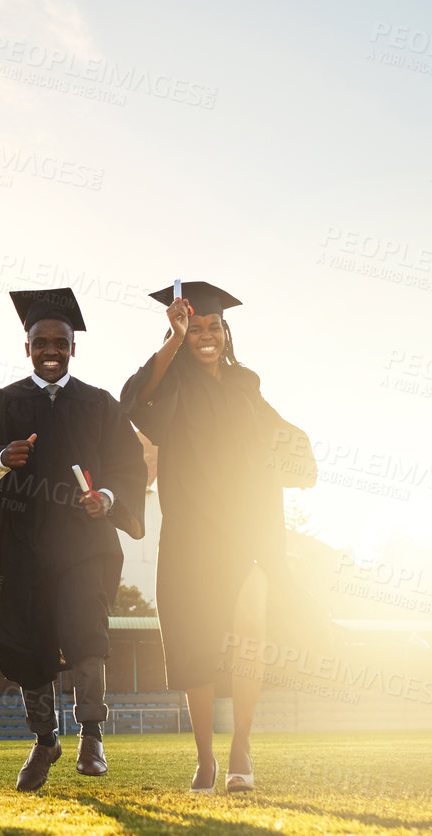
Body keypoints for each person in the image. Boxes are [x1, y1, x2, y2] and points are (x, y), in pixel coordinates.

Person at [119, 282, 316, 794]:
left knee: (251, 629)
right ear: (182, 336)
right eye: (195, 329)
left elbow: (283, 437)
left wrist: (298, 456)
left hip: (250, 529)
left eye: (213, 327)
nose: (205, 336)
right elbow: (135, 402)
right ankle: (206, 758)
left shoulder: (246, 387)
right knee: (198, 640)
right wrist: (172, 337)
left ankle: (241, 747)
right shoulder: (173, 388)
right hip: (192, 532)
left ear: (227, 333)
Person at [0, 288, 146, 792]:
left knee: (88, 632)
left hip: (83, 544)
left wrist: (108, 498)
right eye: (41, 341)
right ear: (26, 346)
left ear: (73, 348)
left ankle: (92, 735)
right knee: (30, 644)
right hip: (19, 548)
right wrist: (4, 458)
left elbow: (128, 467)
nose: (51, 350)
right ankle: (46, 739)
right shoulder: (1, 404)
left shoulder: (98, 404)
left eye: (60, 343)